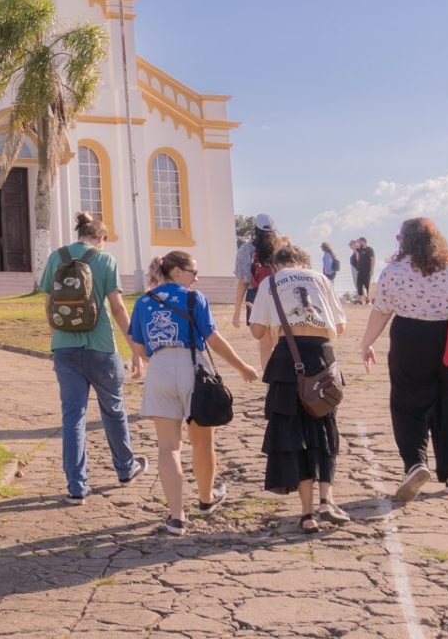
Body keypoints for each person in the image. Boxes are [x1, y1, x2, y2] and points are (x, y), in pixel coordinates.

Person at [130, 251, 259, 534]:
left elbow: (138, 347)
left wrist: (162, 361)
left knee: (167, 447)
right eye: (193, 272)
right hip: (193, 367)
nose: (196, 278)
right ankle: (205, 498)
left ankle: (176, 516)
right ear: (176, 271)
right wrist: (242, 367)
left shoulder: (143, 301)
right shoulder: (193, 298)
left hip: (160, 370)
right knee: (202, 442)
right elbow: (212, 338)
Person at [359, 217, 448, 501]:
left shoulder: (393, 271)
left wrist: (367, 343)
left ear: (404, 240)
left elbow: (380, 311)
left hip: (409, 338)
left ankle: (415, 463)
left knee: (407, 405)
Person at [41, 212, 146, 503]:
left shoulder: (55, 257)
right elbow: (117, 308)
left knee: (73, 417)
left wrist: (60, 334)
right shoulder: (105, 260)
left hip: (64, 349)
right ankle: (125, 469)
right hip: (100, 347)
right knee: (113, 410)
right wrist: (135, 347)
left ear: (80, 234)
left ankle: (76, 487)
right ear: (101, 239)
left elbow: (48, 304)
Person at [251, 242, 350, 533]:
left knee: (295, 435)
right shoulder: (320, 278)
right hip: (321, 355)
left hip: (287, 359)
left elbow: (257, 331)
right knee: (323, 428)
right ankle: (327, 500)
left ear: (278, 265)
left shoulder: (270, 281)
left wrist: (274, 322)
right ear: (305, 263)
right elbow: (340, 325)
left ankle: (307, 514)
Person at [233, 217, 281, 363]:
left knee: (265, 344)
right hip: (279, 295)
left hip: (256, 296)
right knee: (281, 341)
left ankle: (269, 382)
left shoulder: (246, 250)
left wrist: (237, 312)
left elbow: (243, 282)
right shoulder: (282, 248)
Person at [353, 239, 376, 304]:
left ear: (364, 241)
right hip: (360, 270)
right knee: (359, 285)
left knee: (367, 285)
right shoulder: (359, 250)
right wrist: (356, 242)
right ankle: (360, 300)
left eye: (360, 242)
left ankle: (368, 300)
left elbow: (373, 259)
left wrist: (372, 269)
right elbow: (355, 249)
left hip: (367, 270)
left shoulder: (369, 249)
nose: (359, 243)